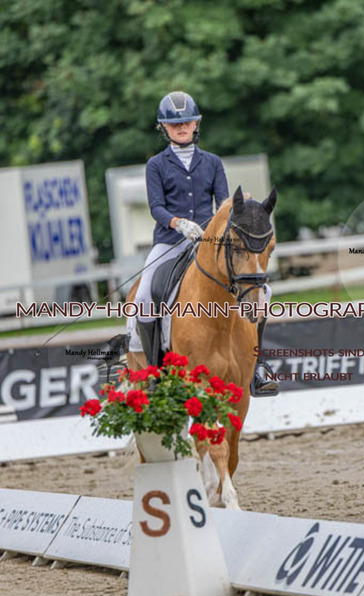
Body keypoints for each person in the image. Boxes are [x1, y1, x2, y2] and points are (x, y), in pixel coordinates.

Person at [135, 90, 278, 396]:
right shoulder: (156, 165)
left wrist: (225, 219)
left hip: (209, 241)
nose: (182, 128)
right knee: (145, 295)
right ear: (164, 128)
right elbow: (156, 207)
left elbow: (224, 204)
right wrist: (178, 223)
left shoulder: (211, 162)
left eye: (187, 122)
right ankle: (154, 371)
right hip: (170, 241)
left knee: (263, 291)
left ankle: (258, 366)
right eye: (175, 124)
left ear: (196, 124)